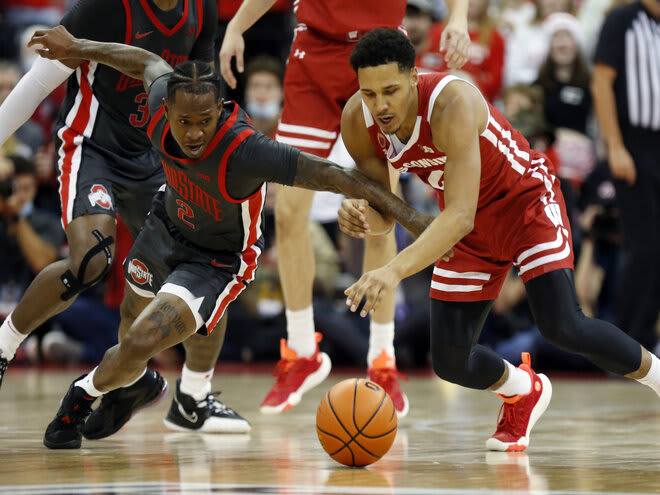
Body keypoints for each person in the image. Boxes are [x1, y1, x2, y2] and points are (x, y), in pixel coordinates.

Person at [27, 25, 433, 449]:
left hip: (216, 260)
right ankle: (135, 385)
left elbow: (334, 175)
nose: (196, 132)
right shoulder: (160, 94)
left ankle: (82, 395)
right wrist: (79, 46)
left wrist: (411, 217)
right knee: (129, 338)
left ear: (220, 109)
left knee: (141, 340)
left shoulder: (247, 150)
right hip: (165, 227)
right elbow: (145, 61)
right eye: (185, 122)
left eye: (206, 120)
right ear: (165, 109)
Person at [338, 28, 660, 452]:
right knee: (451, 361)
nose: (380, 105)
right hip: (466, 226)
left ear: (415, 76)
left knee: (563, 325)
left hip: (523, 203)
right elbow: (388, 210)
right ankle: (522, 390)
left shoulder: (452, 101)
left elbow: (458, 215)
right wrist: (362, 214)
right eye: (369, 93)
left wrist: (391, 271)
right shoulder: (356, 122)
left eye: (391, 91)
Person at [0, 0, 254, 435]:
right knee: (90, 261)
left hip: (155, 155)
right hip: (92, 144)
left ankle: (190, 397)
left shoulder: (201, 10)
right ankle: (4, 347)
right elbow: (39, 81)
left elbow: (199, 93)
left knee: (207, 258)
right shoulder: (103, 8)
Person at [219, 0, 471, 417]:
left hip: (380, 57)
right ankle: (302, 351)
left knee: (381, 214)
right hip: (314, 54)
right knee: (287, 211)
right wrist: (236, 27)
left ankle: (382, 358)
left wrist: (459, 19)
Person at [591, 0, 660, 355]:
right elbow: (601, 84)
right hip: (634, 144)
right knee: (644, 246)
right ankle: (629, 345)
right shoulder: (622, 20)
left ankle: (645, 339)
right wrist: (615, 147)